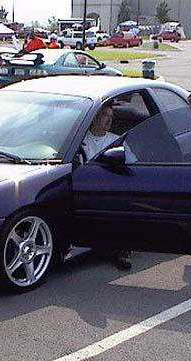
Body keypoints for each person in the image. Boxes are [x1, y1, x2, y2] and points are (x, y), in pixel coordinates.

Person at [81, 104, 133, 270]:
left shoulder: (116, 140)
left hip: (112, 187)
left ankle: (121, 250)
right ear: (94, 118)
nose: (109, 120)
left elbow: (133, 164)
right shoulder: (81, 140)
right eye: (105, 116)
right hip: (86, 187)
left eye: (111, 117)